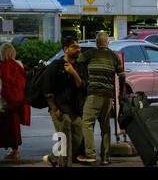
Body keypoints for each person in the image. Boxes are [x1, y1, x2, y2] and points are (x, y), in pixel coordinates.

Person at [77, 31, 125, 165]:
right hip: (108, 96)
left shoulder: (92, 53)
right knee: (105, 126)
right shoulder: (114, 56)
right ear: (108, 42)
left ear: (97, 43)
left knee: (87, 123)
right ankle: (105, 157)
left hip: (94, 93)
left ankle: (90, 154)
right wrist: (120, 93)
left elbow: (78, 60)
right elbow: (122, 76)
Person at [42, 37, 86, 167]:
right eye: (74, 47)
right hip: (60, 108)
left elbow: (82, 86)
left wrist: (73, 73)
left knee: (77, 138)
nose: (78, 49)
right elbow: (47, 90)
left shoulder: (78, 66)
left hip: (75, 109)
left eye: (78, 47)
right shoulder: (55, 66)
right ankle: (64, 164)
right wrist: (54, 109)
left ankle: (53, 159)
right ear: (66, 49)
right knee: (65, 140)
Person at [0, 43, 30, 161]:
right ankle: (15, 151)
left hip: (5, 100)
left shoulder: (2, 66)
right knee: (14, 126)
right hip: (18, 101)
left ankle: (14, 152)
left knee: (4, 126)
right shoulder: (19, 64)